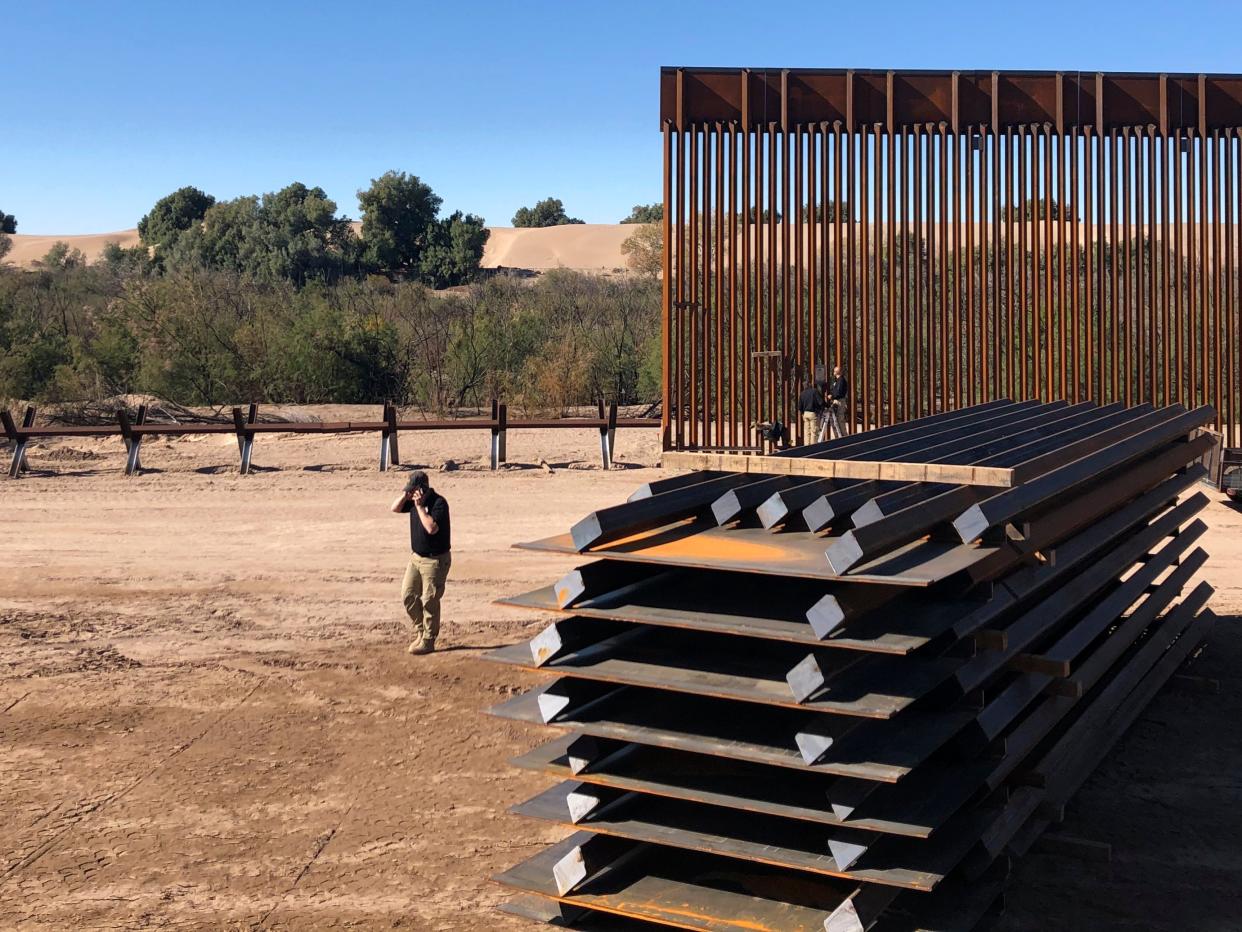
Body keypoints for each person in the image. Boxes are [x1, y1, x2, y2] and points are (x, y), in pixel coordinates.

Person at [390, 471, 451, 655]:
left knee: (429, 601)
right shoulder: (412, 501)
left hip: (435, 560)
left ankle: (428, 639)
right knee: (408, 595)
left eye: (414, 491)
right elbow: (394, 508)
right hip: (416, 558)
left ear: (423, 490)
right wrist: (405, 495)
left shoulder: (438, 503)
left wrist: (419, 507)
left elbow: (431, 528)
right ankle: (420, 630)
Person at [797, 379, 827, 445]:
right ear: (809, 384)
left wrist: (803, 413)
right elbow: (821, 402)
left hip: (805, 414)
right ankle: (813, 448)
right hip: (813, 414)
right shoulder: (814, 391)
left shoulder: (802, 394)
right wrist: (826, 406)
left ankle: (807, 447)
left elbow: (799, 407)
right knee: (814, 432)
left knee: (807, 433)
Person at [827, 365, 849, 439]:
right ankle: (839, 437)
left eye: (834, 371)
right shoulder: (838, 380)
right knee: (835, 420)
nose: (833, 372)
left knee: (840, 419)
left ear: (837, 372)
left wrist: (832, 396)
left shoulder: (841, 380)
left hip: (839, 401)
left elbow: (838, 392)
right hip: (837, 401)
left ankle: (844, 437)